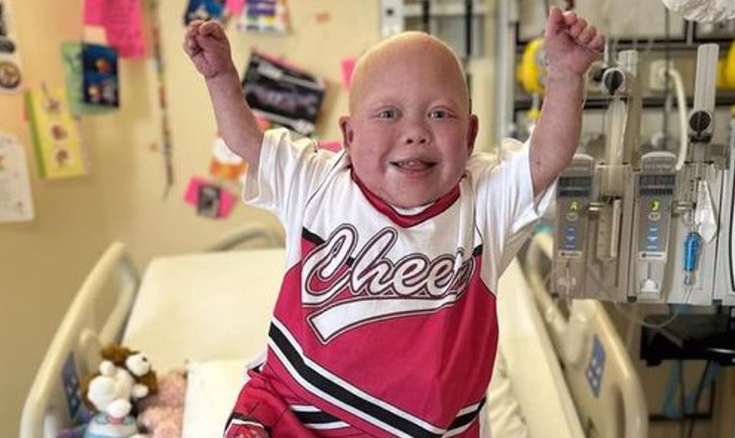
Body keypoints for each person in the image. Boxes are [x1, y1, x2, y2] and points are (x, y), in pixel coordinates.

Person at [184, 7, 603, 438]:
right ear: (349, 136)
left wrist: (566, 76)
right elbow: (245, 140)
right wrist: (220, 79)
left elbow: (546, 156)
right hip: (297, 408)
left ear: (471, 135)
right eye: (387, 114)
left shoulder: (484, 204)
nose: (415, 132)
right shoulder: (316, 182)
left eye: (440, 114)